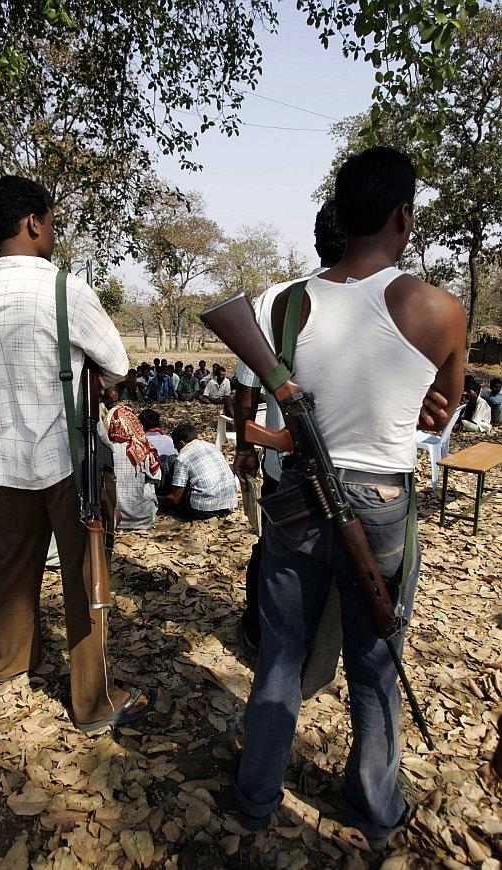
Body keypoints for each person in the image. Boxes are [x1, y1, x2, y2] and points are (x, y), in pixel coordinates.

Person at [231, 146, 466, 851]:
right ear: (403, 216)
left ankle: (255, 795)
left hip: (295, 498)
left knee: (279, 654)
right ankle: (374, 803)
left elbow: (259, 393)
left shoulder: (280, 303)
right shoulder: (438, 308)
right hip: (384, 505)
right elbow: (441, 413)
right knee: (373, 668)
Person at [0, 174, 151, 731]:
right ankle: (93, 702)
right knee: (86, 576)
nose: (53, 231)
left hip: (7, 457)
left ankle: (8, 664)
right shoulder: (64, 290)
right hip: (67, 460)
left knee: (12, 568)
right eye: (51, 220)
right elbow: (116, 363)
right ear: (33, 222)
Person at [235, 199, 347, 654]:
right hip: (354, 478)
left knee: (278, 557)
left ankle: (267, 638)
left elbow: (244, 385)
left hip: (286, 474)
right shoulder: (392, 301)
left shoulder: (279, 300)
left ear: (316, 240)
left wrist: (245, 442)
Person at [101, 395, 161, 530]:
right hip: (143, 518)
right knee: (150, 483)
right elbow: (157, 477)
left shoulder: (104, 449)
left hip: (114, 518)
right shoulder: (142, 447)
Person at [158, 422, 238, 519]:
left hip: (203, 509)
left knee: (171, 461)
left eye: (176, 446)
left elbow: (175, 498)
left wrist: (157, 499)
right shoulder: (211, 446)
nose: (176, 449)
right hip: (227, 504)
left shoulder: (182, 457)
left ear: (182, 443)